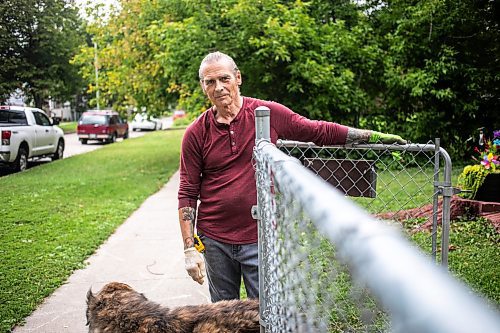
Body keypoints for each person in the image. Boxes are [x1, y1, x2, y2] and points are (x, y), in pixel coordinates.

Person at [178, 51, 406, 302]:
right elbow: (188, 191)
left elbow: (316, 131)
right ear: (203, 86)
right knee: (223, 314)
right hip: (215, 239)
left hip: (259, 234)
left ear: (238, 78)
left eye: (224, 79)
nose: (219, 87)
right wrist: (190, 248)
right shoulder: (196, 133)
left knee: (263, 311)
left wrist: (371, 137)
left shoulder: (267, 113)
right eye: (210, 82)